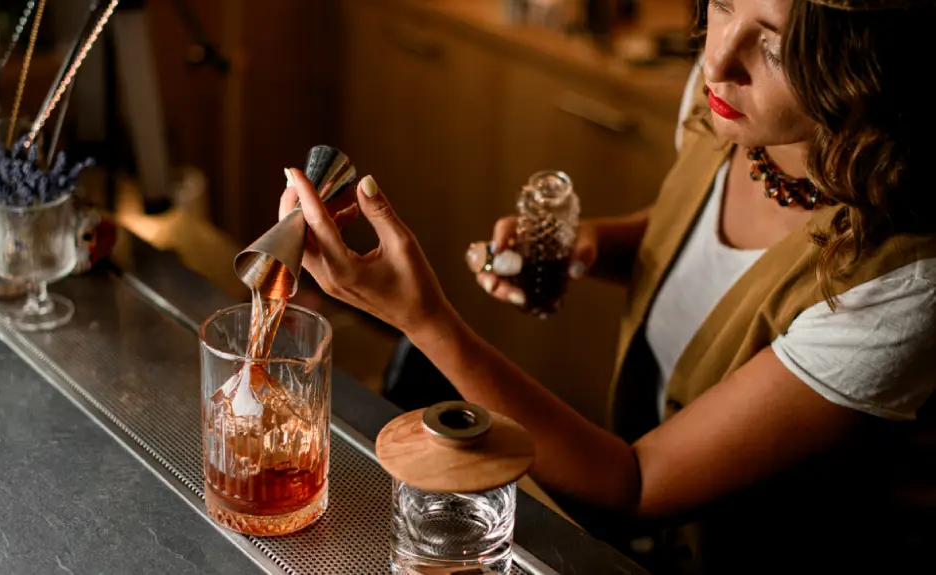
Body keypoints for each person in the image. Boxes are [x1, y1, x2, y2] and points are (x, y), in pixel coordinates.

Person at [279, 0, 936, 571]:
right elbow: (702, 235)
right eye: (725, 4)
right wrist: (595, 245)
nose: (719, 60)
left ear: (864, 69)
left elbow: (637, 481)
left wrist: (423, 321)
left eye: (774, 45)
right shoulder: (732, 107)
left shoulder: (901, 284)